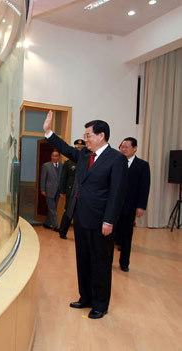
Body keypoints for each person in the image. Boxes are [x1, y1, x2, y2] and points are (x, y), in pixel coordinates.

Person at [43, 110, 128, 319]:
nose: (86, 138)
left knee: (100, 262)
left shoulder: (116, 159)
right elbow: (65, 148)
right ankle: (86, 298)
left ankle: (100, 304)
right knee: (83, 260)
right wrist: (49, 132)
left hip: (101, 222)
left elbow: (117, 193)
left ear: (101, 136)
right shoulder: (84, 155)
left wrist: (109, 220)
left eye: (88, 135)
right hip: (81, 218)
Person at [115, 137, 150, 272]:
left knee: (126, 235)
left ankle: (124, 263)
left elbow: (144, 187)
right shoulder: (115, 162)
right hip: (113, 205)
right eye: (122, 147)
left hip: (129, 206)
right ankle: (107, 262)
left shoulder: (142, 165)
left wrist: (141, 206)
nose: (123, 149)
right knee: (110, 236)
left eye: (126, 147)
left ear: (134, 148)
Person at [57, 139, 86, 239]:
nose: (79, 149)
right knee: (68, 210)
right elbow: (63, 177)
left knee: (80, 212)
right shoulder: (69, 162)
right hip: (70, 190)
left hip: (82, 191)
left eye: (81, 147)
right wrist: (62, 191)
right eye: (77, 147)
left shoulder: (86, 160)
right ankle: (62, 231)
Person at [40, 150, 62, 231]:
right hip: (49, 191)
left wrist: (62, 191)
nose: (54, 157)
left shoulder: (61, 165)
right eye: (53, 155)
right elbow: (43, 178)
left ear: (59, 157)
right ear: (51, 156)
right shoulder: (46, 166)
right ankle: (56, 226)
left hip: (58, 191)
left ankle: (47, 223)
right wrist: (42, 189)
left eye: (56, 156)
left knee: (53, 208)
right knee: (52, 209)